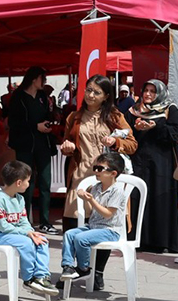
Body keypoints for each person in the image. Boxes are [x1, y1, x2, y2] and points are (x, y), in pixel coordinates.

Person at [58, 75, 137, 233]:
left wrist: (116, 142)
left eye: (97, 92)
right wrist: (68, 147)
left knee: (105, 228)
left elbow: (132, 144)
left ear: (106, 96)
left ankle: (99, 259)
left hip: (107, 181)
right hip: (81, 176)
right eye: (88, 90)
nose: (91, 95)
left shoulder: (115, 117)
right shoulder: (74, 118)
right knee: (77, 226)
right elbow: (67, 144)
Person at [0, 161, 60, 296]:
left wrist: (31, 232)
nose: (29, 184)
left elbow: (24, 221)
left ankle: (41, 276)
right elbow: (2, 226)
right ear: (18, 183)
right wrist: (26, 233)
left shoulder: (20, 199)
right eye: (28, 181)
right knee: (26, 243)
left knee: (41, 239)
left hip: (13, 234)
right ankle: (28, 278)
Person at [60, 151, 129, 289]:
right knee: (69, 234)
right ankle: (68, 266)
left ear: (113, 173)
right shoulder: (96, 187)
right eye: (95, 168)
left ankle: (84, 268)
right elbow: (88, 198)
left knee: (81, 239)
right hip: (93, 226)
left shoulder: (117, 191)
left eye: (99, 169)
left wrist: (91, 200)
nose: (96, 172)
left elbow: (108, 214)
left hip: (110, 230)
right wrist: (82, 193)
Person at [128, 79, 178, 253]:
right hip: (140, 162)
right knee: (139, 198)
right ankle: (139, 240)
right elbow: (125, 132)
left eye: (152, 91)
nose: (148, 94)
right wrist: (137, 127)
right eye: (146, 90)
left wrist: (155, 126)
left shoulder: (169, 109)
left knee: (160, 199)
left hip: (162, 165)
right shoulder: (135, 110)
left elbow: (174, 134)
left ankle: (162, 242)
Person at [7, 67, 57, 234]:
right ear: (35, 79)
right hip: (25, 144)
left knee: (45, 181)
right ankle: (24, 220)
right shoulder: (18, 97)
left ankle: (44, 220)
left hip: (43, 144)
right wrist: (35, 126)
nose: (45, 82)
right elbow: (14, 123)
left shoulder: (42, 96)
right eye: (43, 78)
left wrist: (48, 124)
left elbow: (47, 115)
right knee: (26, 182)